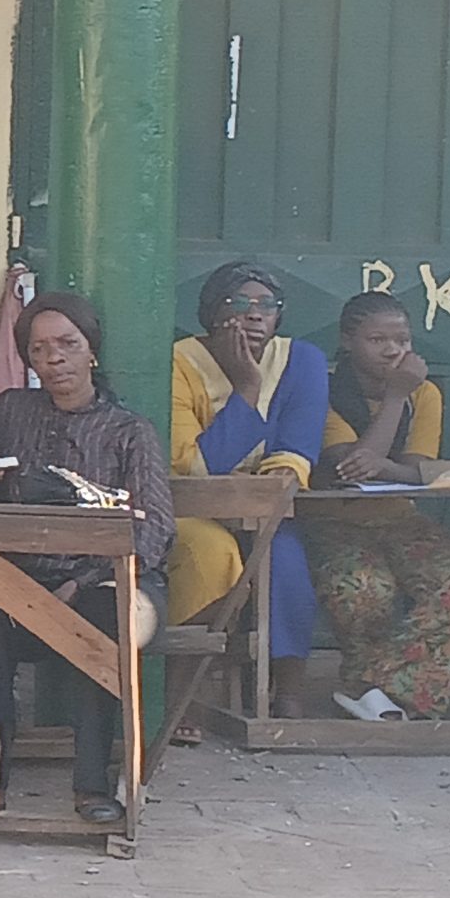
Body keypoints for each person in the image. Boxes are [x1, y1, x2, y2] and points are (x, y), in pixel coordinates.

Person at [0, 291, 174, 826]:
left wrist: (83, 580)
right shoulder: (10, 410)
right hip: (28, 584)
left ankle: (93, 788)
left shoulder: (129, 431)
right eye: (40, 348)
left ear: (91, 351)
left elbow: (155, 529)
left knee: (100, 623)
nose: (54, 359)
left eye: (67, 345)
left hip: (113, 583)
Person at [169, 261, 324, 718]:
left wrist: (275, 481)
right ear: (213, 314)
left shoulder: (303, 360)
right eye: (239, 303)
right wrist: (247, 387)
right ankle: (186, 696)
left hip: (267, 509)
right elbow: (195, 465)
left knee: (285, 561)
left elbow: (298, 449)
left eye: (267, 306)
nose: (255, 315)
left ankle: (288, 690)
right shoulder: (180, 362)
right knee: (208, 557)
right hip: (196, 508)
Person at [307, 290, 450, 722]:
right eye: (378, 340)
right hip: (332, 521)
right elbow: (352, 468)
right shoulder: (322, 391)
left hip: (399, 518)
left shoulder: (427, 394)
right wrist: (397, 397)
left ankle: (366, 686)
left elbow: (414, 470)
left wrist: (389, 466)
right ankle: (382, 692)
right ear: (347, 341)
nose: (394, 350)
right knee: (363, 589)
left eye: (402, 340)